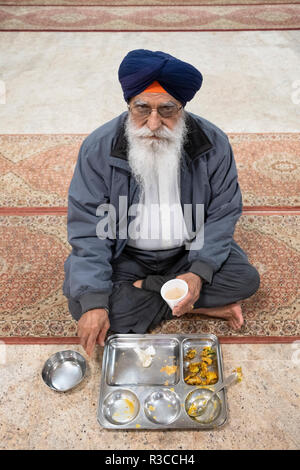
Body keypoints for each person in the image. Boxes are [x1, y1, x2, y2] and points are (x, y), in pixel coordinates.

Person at [63, 49, 260, 356]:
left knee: (244, 280)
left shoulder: (212, 144)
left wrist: (198, 272)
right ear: (129, 105)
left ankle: (159, 292)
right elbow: (89, 228)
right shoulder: (98, 148)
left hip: (187, 253)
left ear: (182, 108)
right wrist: (95, 302)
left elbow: (223, 213)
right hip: (125, 257)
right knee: (84, 303)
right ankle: (197, 307)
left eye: (167, 110)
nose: (153, 123)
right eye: (142, 108)